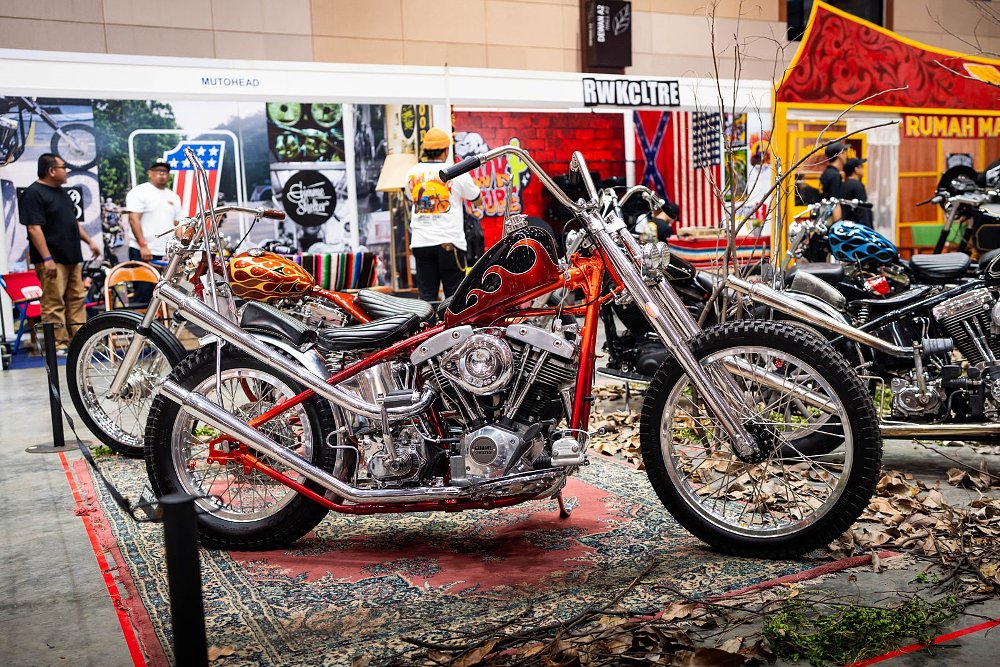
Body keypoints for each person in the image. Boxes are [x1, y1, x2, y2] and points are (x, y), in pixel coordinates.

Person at [18, 153, 100, 353]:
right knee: (53, 303)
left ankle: (79, 342)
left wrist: (90, 242)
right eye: (63, 167)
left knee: (77, 300)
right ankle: (59, 345)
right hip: (52, 260)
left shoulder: (62, 193)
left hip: (72, 256)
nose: (66, 171)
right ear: (52, 171)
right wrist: (47, 258)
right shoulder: (33, 193)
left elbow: (72, 223)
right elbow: (34, 229)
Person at [405, 127, 482, 303]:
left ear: (425, 149)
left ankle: (428, 330)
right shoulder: (456, 171)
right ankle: (452, 331)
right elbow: (477, 200)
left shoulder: (412, 173)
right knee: (455, 297)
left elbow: (412, 198)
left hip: (421, 242)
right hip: (449, 242)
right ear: (446, 150)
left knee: (427, 298)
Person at [125, 160, 181, 302]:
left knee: (165, 296)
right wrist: (143, 245)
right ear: (149, 173)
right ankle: (137, 324)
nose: (161, 174)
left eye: (165, 172)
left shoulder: (173, 196)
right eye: (157, 171)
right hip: (143, 252)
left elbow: (178, 224)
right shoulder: (140, 192)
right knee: (143, 294)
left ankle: (160, 324)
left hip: (166, 255)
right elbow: (133, 219)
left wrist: (180, 250)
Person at [840, 157, 873, 228]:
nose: (863, 169)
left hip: (845, 226)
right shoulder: (858, 186)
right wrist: (868, 230)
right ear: (856, 170)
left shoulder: (843, 185)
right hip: (858, 228)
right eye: (861, 167)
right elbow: (863, 211)